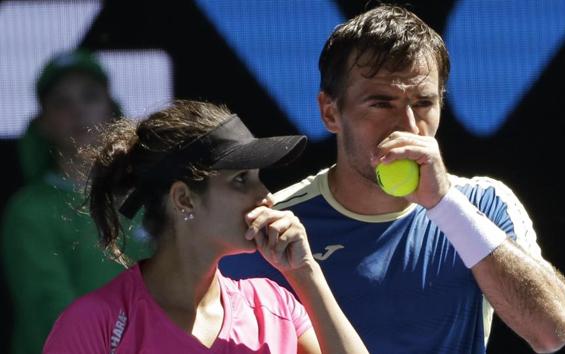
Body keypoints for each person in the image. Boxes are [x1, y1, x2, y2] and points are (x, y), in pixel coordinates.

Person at [220, 4, 565, 353]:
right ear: (330, 112)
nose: (407, 126)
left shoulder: (484, 205)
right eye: (381, 103)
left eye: (423, 103)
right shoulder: (274, 231)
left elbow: (552, 333)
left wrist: (444, 204)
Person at [43, 100, 369, 354]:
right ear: (184, 199)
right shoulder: (95, 323)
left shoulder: (275, 306)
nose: (266, 196)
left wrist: (306, 274)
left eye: (259, 179)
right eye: (241, 180)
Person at [1, 49, 150, 354]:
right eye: (61, 102)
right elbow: (49, 308)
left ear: (112, 112)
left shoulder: (150, 198)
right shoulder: (28, 211)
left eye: (90, 96)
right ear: (42, 123)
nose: (78, 110)